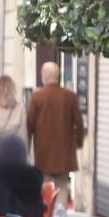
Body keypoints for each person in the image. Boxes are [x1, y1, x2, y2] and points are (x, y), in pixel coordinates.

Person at [25, 61, 85, 208]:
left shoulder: (37, 97)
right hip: (64, 151)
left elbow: (29, 124)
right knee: (62, 185)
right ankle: (61, 216)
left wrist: (26, 146)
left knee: (45, 184)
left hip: (43, 151)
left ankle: (46, 214)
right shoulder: (70, 96)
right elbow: (79, 122)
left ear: (45, 76)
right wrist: (79, 142)